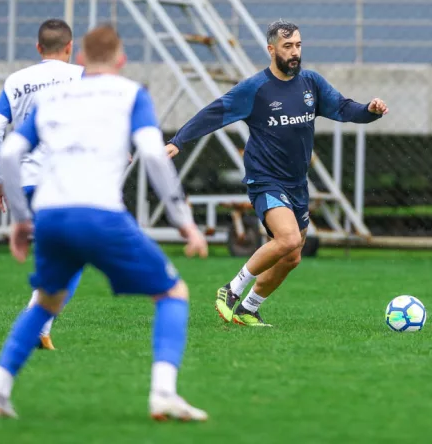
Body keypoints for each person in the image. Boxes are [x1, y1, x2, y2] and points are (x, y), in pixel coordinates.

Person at [0, 24, 209, 421]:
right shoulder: (131, 93)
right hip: (99, 214)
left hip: (50, 216)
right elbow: (153, 156)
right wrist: (183, 220)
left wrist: (19, 219)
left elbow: (12, 152)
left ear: (81, 57)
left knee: (47, 300)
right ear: (121, 59)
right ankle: (163, 393)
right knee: (173, 293)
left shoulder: (51, 97)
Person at [166, 20, 389, 327]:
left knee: (291, 256)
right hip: (265, 179)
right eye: (288, 47)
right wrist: (179, 141)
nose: (295, 52)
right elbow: (215, 112)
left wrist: (370, 111)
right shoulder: (255, 89)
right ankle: (232, 289)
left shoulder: (311, 83)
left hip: (297, 183)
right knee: (286, 239)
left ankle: (249, 308)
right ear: (271, 50)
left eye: (298, 45)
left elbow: (344, 108)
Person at [0, 18, 84, 349]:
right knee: (74, 255)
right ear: (71, 47)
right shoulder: (80, 76)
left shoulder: (17, 80)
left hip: (25, 183)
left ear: (39, 48)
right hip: (62, 183)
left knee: (58, 256)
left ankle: (39, 320)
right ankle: (37, 321)